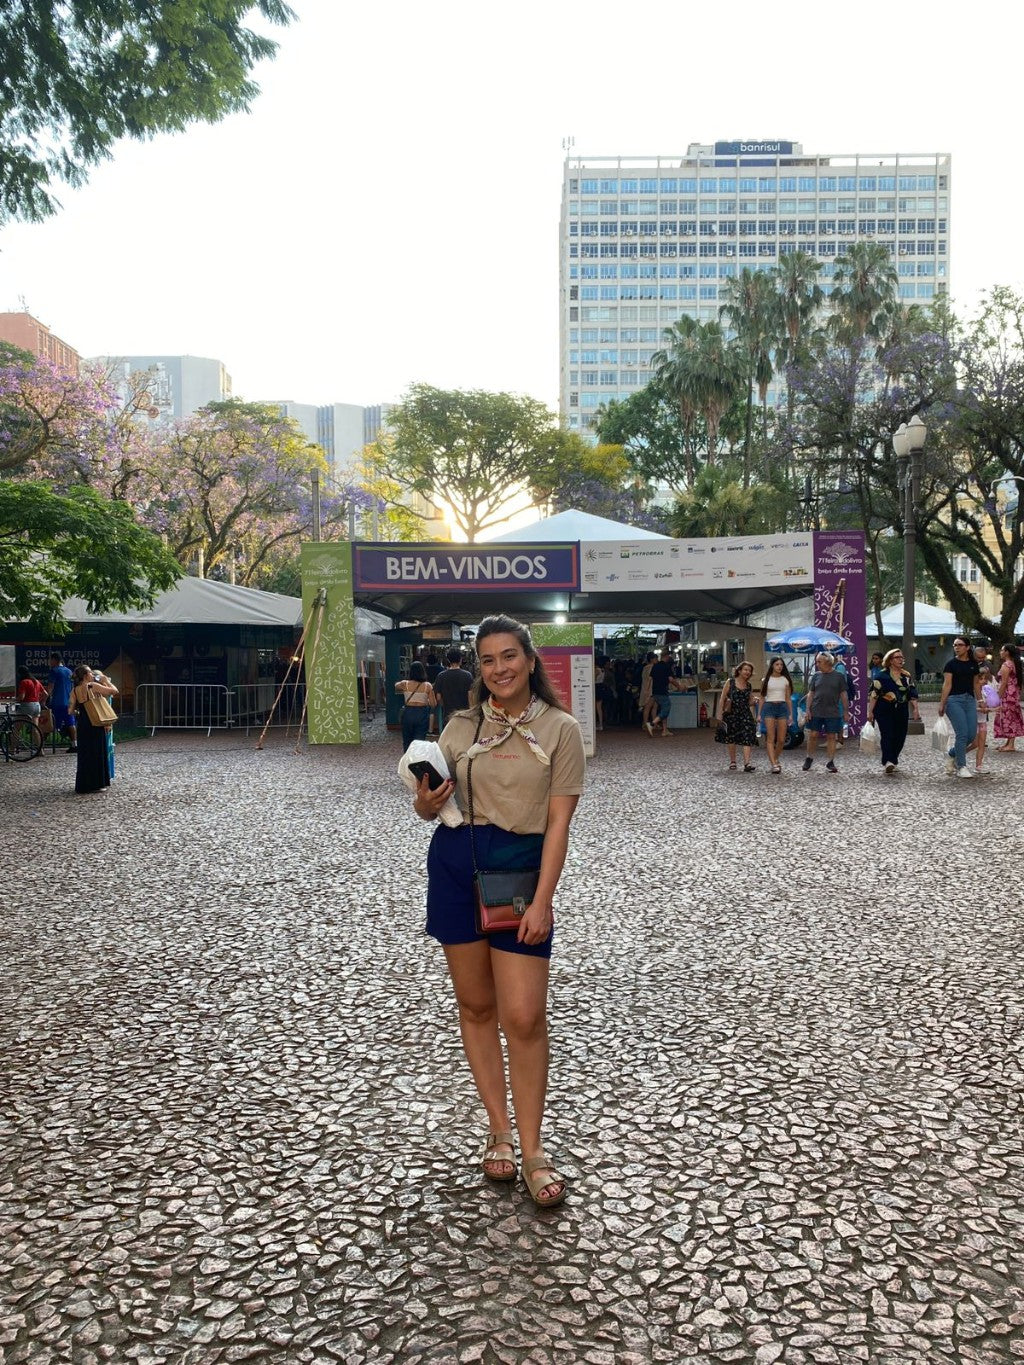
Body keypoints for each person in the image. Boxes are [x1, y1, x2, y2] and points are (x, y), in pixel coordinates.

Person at [410, 614, 585, 1209]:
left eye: (509, 656)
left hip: (519, 871)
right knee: (477, 1006)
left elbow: (559, 823)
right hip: (455, 865)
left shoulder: (560, 729)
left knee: (525, 1016)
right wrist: (425, 803)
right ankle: (500, 1131)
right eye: (487, 660)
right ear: (478, 669)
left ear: (530, 660)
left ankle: (534, 1149)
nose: (499, 668)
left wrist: (544, 899)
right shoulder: (460, 726)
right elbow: (432, 809)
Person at [865, 648, 921, 774]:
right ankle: (888, 761)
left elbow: (912, 693)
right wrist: (870, 712)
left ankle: (893, 759)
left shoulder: (906, 675)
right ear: (890, 660)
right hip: (884, 709)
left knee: (900, 736)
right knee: (887, 734)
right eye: (897, 657)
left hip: (901, 709)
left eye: (902, 657)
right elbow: (874, 695)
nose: (901, 660)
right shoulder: (881, 676)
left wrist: (916, 709)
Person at [68, 664, 118, 794]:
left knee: (85, 754)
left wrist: (81, 711)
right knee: (97, 753)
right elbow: (114, 691)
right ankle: (96, 784)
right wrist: (106, 681)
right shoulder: (92, 686)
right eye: (90, 672)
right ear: (85, 676)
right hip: (95, 722)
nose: (92, 675)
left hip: (82, 724)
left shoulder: (74, 690)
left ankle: (84, 785)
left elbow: (70, 710)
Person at [937, 636, 980, 778]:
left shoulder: (973, 664)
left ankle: (951, 754)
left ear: (967, 647)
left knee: (971, 735)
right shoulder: (951, 664)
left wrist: (980, 700)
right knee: (962, 734)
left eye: (960, 645)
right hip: (954, 700)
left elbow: (976, 684)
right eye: (955, 645)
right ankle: (961, 766)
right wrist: (942, 703)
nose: (957, 647)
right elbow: (947, 684)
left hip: (970, 700)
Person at [802, 653, 847, 773]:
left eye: (819, 662)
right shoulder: (816, 676)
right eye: (816, 661)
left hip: (833, 712)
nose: (816, 664)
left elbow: (843, 694)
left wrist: (846, 711)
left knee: (831, 736)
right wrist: (807, 709)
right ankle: (809, 758)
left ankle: (830, 761)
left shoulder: (839, 676)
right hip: (816, 710)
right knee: (813, 735)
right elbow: (811, 693)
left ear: (828, 663)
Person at [721, 660, 758, 771]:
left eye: (749, 671)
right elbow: (722, 698)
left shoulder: (748, 685)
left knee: (748, 735)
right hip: (732, 713)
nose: (747, 672)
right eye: (745, 670)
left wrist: (754, 701)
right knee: (731, 737)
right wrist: (720, 714)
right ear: (740, 670)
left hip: (745, 713)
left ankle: (747, 763)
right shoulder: (730, 682)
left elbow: (749, 701)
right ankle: (733, 761)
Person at [757, 657, 792, 774]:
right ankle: (773, 764)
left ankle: (775, 758)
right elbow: (762, 697)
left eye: (781, 665)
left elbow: (788, 698)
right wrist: (759, 714)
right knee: (770, 738)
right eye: (777, 664)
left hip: (782, 707)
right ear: (772, 665)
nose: (779, 667)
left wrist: (791, 714)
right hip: (769, 707)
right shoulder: (766, 680)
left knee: (781, 739)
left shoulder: (785, 680)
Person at [395, 661, 437, 751]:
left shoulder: (405, 684)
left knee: (407, 741)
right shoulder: (427, 686)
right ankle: (417, 758)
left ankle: (407, 757)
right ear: (423, 672)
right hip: (422, 713)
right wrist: (425, 700)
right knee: (419, 742)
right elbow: (433, 704)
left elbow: (396, 685)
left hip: (408, 713)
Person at [993, 642, 1024, 753]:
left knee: (1008, 718)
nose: (1000, 652)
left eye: (1002, 650)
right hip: (1013, 695)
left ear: (1007, 652)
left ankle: (1010, 745)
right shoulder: (1014, 664)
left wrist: (998, 697)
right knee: (1012, 717)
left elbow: (1004, 683)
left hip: (1007, 695)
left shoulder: (1006, 665)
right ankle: (1009, 743)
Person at [433, 648, 474, 727]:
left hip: (448, 714)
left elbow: (438, 697)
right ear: (460, 659)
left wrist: (444, 705)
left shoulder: (441, 676)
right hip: (464, 714)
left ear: (448, 660)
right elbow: (470, 696)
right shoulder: (468, 675)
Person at [47, 652, 76, 753]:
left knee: (50, 724)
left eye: (50, 660)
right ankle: (74, 744)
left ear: (54, 660)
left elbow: (50, 688)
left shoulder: (54, 671)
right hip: (69, 702)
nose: (49, 662)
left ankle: (39, 746)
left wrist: (43, 699)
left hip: (57, 702)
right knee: (71, 723)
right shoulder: (69, 671)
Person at [646, 649, 679, 737]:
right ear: (667, 656)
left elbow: (651, 678)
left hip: (655, 691)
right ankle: (652, 724)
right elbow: (671, 679)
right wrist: (679, 686)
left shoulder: (655, 666)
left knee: (663, 709)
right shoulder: (666, 667)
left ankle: (665, 730)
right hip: (662, 691)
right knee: (666, 709)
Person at [976, 666, 998, 773]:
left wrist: (992, 708)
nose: (984, 681)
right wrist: (988, 709)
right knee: (974, 743)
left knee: (981, 744)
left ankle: (979, 765)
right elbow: (974, 708)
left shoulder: (985, 691)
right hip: (973, 720)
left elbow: (988, 706)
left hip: (982, 721)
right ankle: (956, 755)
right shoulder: (973, 693)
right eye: (981, 678)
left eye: (985, 678)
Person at [638, 652, 656, 731]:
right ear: (651, 659)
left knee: (653, 707)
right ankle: (645, 724)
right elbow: (650, 678)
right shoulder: (650, 668)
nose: (657, 660)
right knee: (648, 707)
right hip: (650, 689)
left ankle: (652, 723)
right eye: (655, 658)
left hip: (648, 689)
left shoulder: (645, 667)